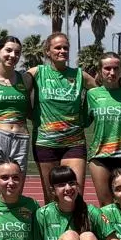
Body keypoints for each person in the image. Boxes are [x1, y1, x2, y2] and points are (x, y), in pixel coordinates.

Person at [32, 33, 93, 201]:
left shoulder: (80, 75)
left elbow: (103, 92)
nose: (62, 51)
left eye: (66, 47)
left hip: (74, 143)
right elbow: (12, 82)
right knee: (52, 197)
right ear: (47, 51)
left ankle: (76, 228)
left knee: (75, 194)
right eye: (57, 47)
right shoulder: (38, 73)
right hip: (45, 143)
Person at [0, 38, 34, 201]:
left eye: (17, 52)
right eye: (8, 50)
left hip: (21, 138)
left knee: (15, 194)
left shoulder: (26, 79)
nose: (13, 55)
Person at [85, 53, 121, 208]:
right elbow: (83, 121)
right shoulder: (92, 95)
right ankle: (108, 233)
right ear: (100, 70)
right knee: (106, 205)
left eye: (116, 68)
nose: (112, 72)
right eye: (107, 68)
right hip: (100, 157)